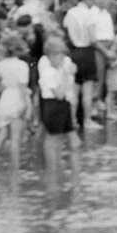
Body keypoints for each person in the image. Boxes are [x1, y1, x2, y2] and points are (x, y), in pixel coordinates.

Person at [37, 36, 81, 177]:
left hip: (63, 105)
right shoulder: (49, 70)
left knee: (73, 142)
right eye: (61, 56)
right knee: (53, 140)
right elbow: (60, 93)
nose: (64, 60)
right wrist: (66, 75)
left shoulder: (58, 67)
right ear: (52, 56)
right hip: (54, 105)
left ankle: (71, 173)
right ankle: (53, 171)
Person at [0, 36, 32, 172]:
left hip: (5, 99)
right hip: (17, 98)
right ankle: (15, 168)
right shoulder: (22, 66)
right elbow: (22, 87)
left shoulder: (1, 65)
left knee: (3, 134)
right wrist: (25, 105)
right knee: (16, 138)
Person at [62, 0, 105, 131]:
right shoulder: (90, 14)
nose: (94, 1)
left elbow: (67, 32)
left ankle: (72, 120)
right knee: (87, 90)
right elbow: (93, 39)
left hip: (74, 52)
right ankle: (87, 120)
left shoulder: (70, 13)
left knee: (73, 89)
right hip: (87, 52)